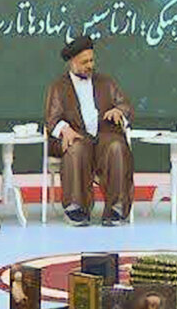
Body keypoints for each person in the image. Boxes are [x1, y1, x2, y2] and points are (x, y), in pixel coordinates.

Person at [44, 37, 134, 226]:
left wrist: (119, 111)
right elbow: (52, 119)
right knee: (75, 148)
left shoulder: (106, 82)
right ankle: (76, 208)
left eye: (91, 60)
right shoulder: (59, 87)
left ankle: (117, 208)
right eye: (84, 62)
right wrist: (64, 129)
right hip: (77, 136)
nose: (90, 65)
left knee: (117, 147)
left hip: (104, 136)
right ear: (72, 63)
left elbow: (125, 106)